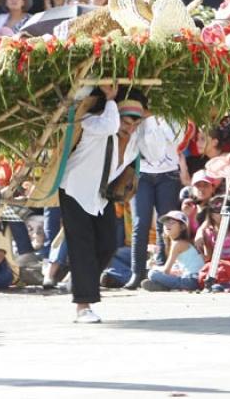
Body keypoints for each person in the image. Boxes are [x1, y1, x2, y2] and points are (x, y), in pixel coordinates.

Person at [55, 89, 168, 323]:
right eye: (126, 122)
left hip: (99, 197)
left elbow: (156, 153)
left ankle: (79, 281)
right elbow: (108, 125)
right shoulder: (94, 123)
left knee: (107, 245)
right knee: (82, 246)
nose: (129, 128)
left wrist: (147, 120)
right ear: (116, 114)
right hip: (75, 190)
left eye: (135, 124)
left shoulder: (136, 136)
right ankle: (83, 306)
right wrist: (109, 100)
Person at [124, 110, 184, 290]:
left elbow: (175, 139)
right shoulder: (137, 115)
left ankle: (162, 268)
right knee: (140, 223)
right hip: (141, 174)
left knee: (165, 223)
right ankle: (137, 271)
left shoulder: (175, 114)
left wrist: (155, 118)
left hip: (168, 174)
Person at [141, 211, 204, 291]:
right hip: (192, 280)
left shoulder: (178, 244)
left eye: (172, 222)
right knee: (170, 271)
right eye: (166, 222)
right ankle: (164, 287)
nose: (167, 225)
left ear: (182, 227)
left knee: (152, 273)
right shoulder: (181, 243)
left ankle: (167, 287)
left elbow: (166, 270)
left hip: (191, 281)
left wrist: (153, 267)